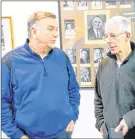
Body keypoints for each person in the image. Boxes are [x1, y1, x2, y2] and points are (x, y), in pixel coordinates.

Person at [1, 11, 80, 139]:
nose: (56, 34)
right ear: (34, 31)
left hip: (63, 133)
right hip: (28, 136)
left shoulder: (62, 57)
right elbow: (2, 103)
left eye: (56, 29)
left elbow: (73, 89)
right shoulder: (9, 62)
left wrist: (73, 115)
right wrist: (17, 135)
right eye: (50, 29)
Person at [94, 16, 135, 139]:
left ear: (127, 36)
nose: (108, 40)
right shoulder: (103, 65)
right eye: (106, 36)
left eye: (113, 35)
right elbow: (98, 98)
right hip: (109, 134)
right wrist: (100, 123)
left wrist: (129, 120)